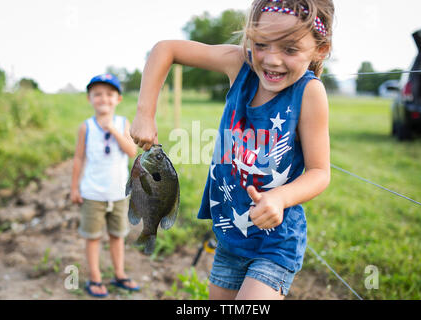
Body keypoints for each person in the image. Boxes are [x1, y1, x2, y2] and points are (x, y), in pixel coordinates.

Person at [130, 0, 333, 300]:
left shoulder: (309, 93)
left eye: (289, 49)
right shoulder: (240, 64)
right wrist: (145, 113)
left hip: (275, 243)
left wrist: (279, 198)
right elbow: (165, 49)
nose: (272, 60)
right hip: (229, 234)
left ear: (320, 50)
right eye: (262, 44)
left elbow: (320, 172)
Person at [70, 73, 139, 297]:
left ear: (118, 99)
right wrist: (74, 188)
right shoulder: (86, 127)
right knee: (93, 237)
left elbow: (132, 151)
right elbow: (79, 158)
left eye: (109, 94)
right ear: (89, 98)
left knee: (117, 235)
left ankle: (120, 274)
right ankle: (95, 278)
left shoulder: (122, 123)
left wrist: (114, 131)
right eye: (97, 94)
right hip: (92, 193)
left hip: (118, 193)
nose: (103, 99)